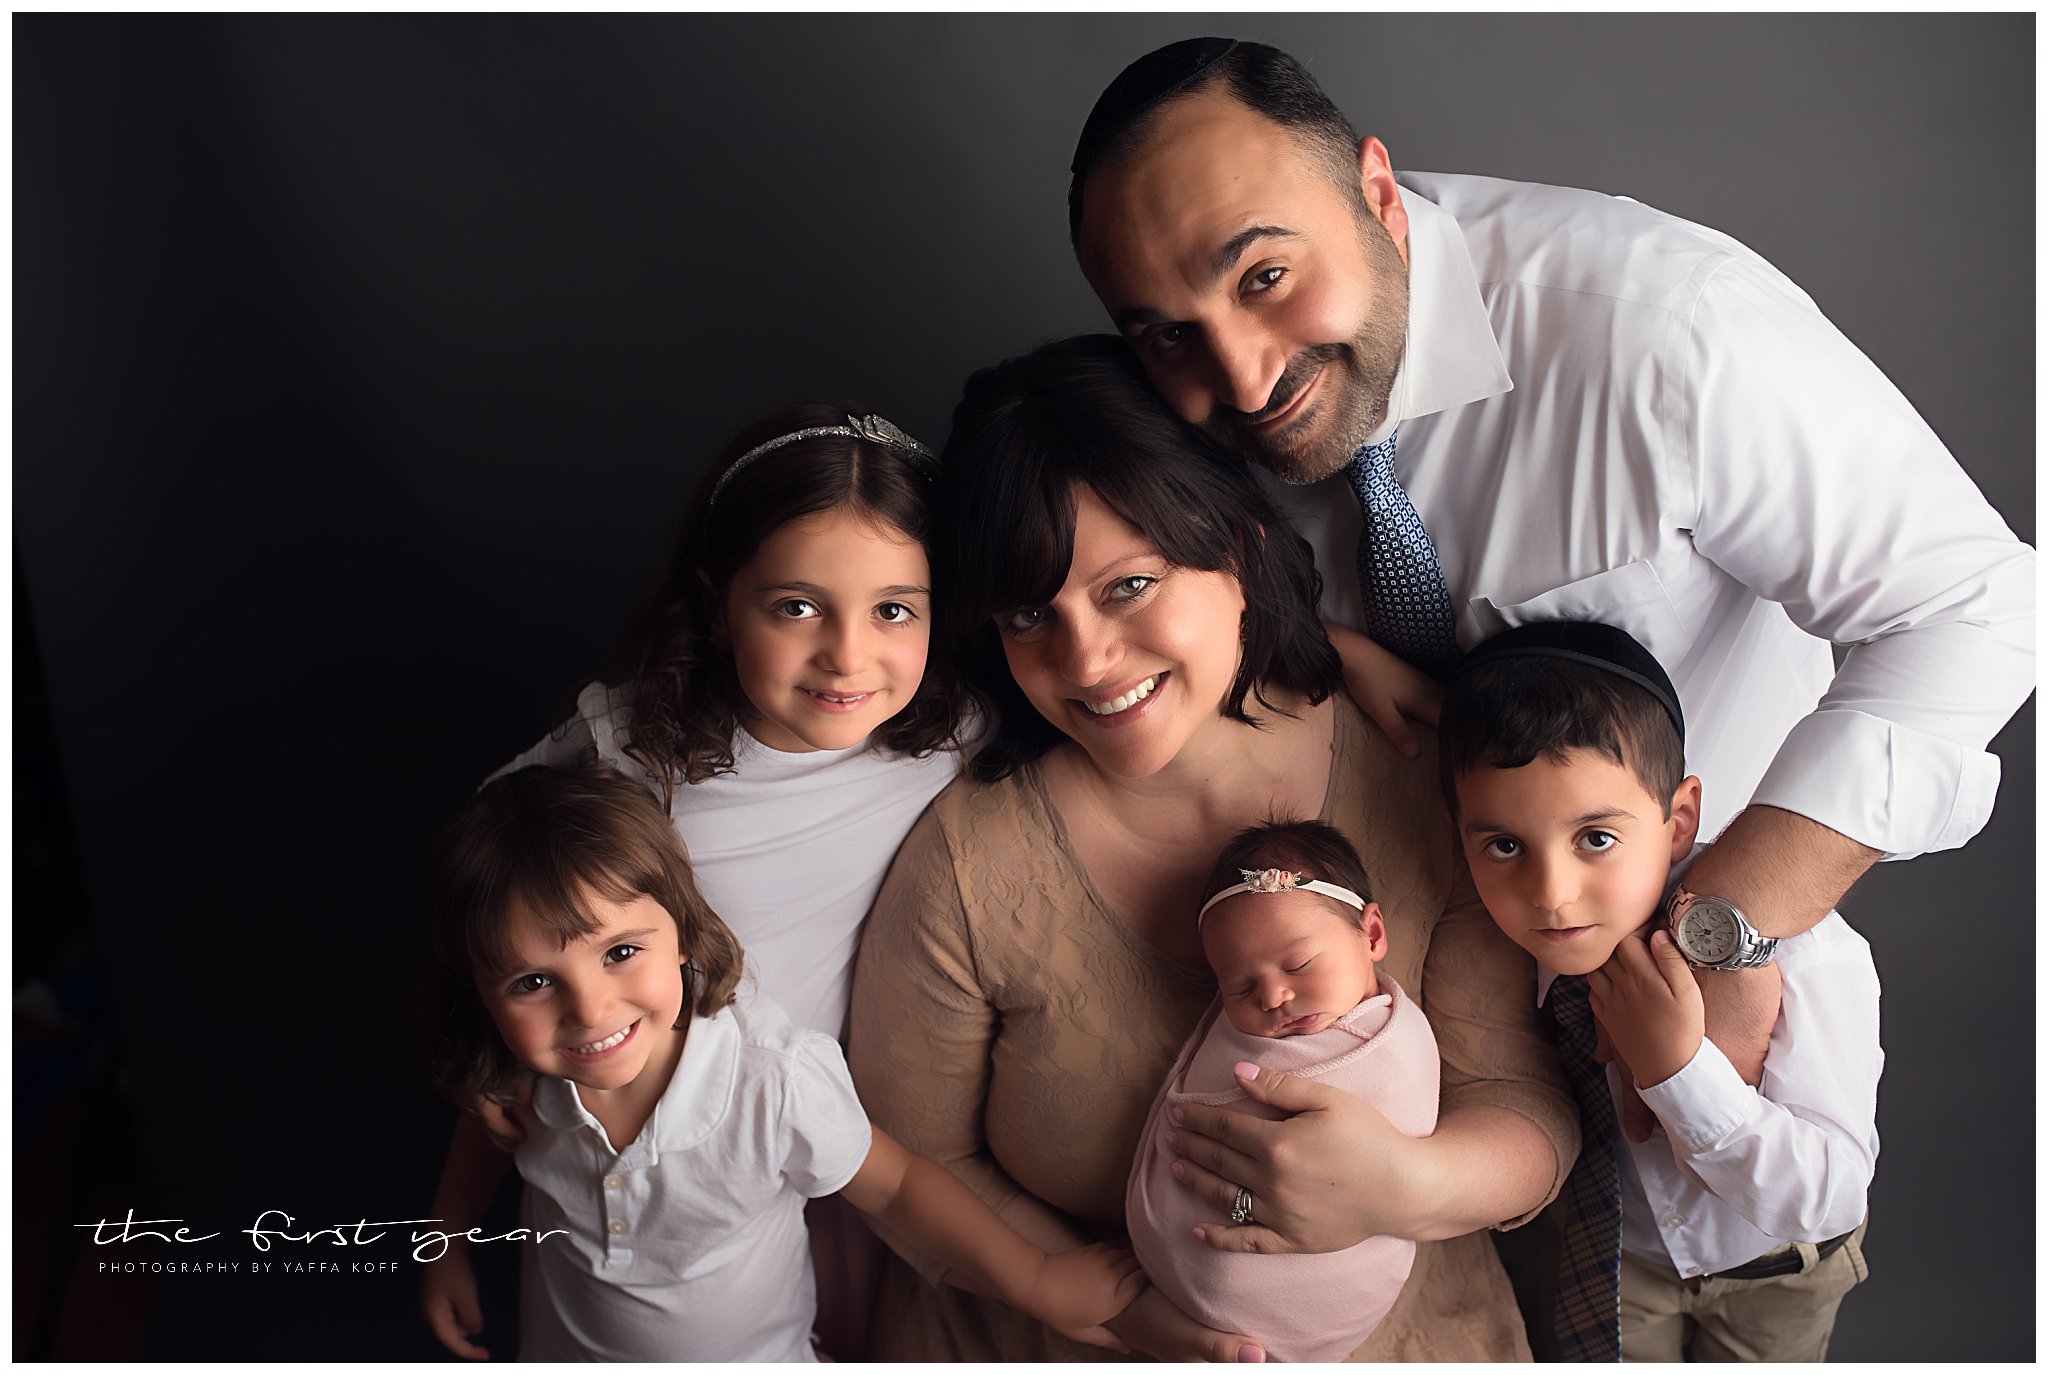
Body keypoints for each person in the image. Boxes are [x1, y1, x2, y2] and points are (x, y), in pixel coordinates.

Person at [1063, 37, 2031, 1130]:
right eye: (1169, 333)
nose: (1243, 377)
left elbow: (1977, 607)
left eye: (1265, 278)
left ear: (1376, 193)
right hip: (1413, 1032)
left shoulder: (1657, 329)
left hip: (1717, 1006)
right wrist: (1318, 641)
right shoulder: (1177, 419)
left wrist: (1713, 927)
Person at [848, 334, 1576, 1362]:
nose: (1085, 661)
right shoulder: (969, 864)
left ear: (1234, 544)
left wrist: (1407, 1185)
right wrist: (1132, 1319)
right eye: (1028, 615)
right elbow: (907, 1161)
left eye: (1126, 587)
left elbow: (1517, 1094)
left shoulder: (1412, 775)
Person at [428, 403, 967, 1355]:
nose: (848, 653)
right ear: (719, 606)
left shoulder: (951, 738)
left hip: (786, 1145)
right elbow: (489, 882)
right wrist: (480, 1051)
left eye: (894, 609)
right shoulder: (632, 754)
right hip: (611, 1147)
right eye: (795, 606)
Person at [416, 763, 1147, 1362]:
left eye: (620, 953)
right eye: (534, 982)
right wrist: (446, 1239)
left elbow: (896, 1188)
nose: (590, 1009)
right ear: (485, 992)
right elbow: (488, 1130)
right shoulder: (527, 1075)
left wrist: (1037, 1277)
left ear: (681, 934)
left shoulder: (769, 1082)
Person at [1439, 621, 1880, 1362]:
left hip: (1775, 1270)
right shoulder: (1492, 952)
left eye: (1596, 838)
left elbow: (1828, 1196)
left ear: (1679, 822)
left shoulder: (1803, 949)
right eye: (1505, 845)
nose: (1551, 894)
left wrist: (1678, 1069)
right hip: (1618, 1262)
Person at [1125, 819, 1440, 1363]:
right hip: (1166, 1283)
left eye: (1298, 964)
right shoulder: (1238, 1029)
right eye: (1239, 986)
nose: (1273, 995)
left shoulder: (1394, 1043)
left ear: (1371, 935)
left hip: (1322, 1287)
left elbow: (1405, 1150)